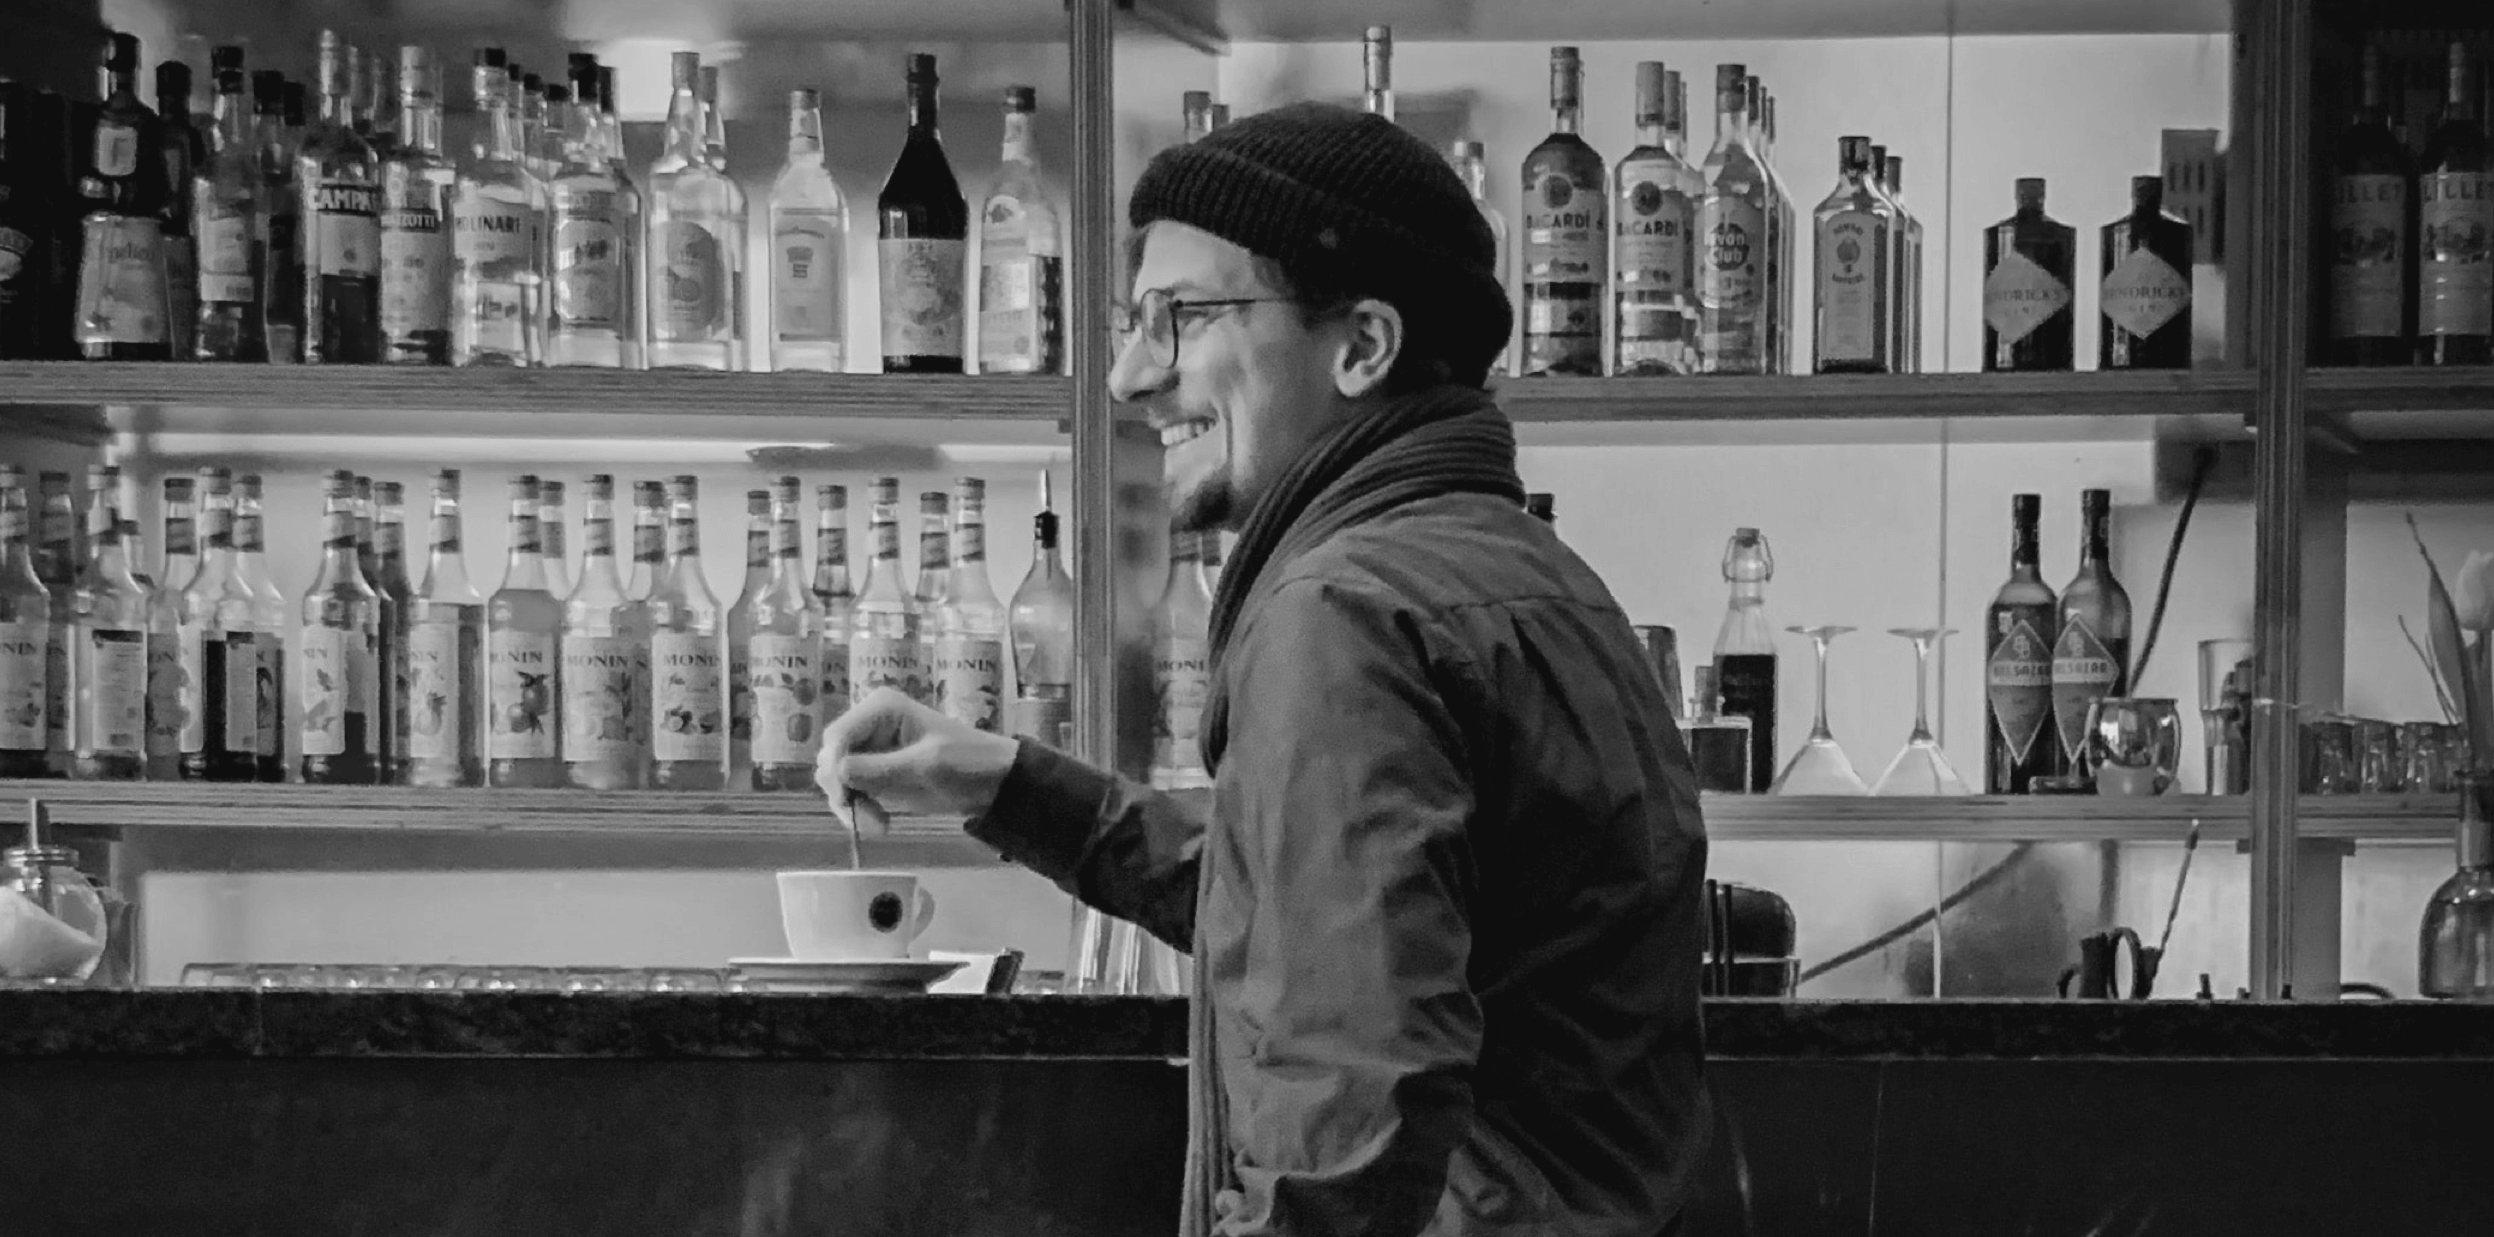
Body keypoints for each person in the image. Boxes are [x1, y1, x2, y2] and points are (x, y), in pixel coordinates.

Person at [818, 102, 1709, 1237]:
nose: (1128, 376)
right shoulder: (1539, 579)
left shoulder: (1344, 614)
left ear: (1363, 346)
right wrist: (1010, 783)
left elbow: (1346, 1117)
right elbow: (1330, 911)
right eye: (1134, 322)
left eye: (1181, 318)